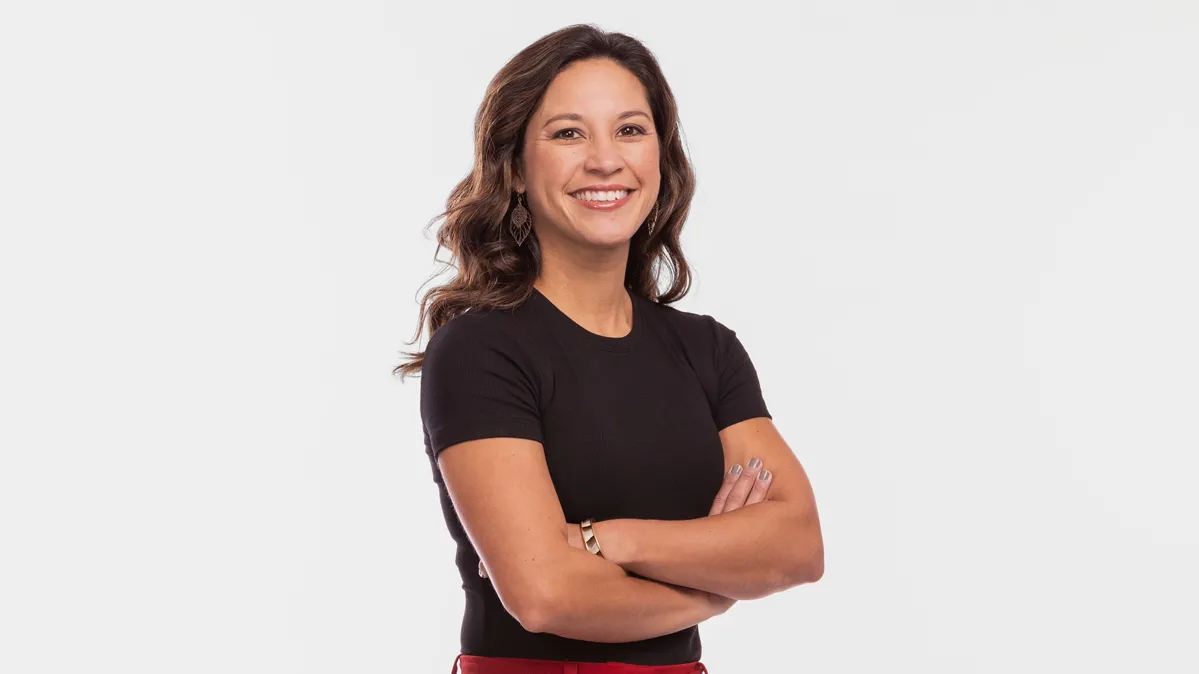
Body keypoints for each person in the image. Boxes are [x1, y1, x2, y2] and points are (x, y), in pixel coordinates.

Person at [395, 24, 824, 673]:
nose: (605, 160)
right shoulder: (481, 349)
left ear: (660, 155)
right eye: (568, 133)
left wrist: (601, 540)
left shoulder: (706, 350)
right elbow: (545, 597)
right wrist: (715, 587)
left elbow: (796, 547)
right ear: (513, 167)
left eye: (629, 130)